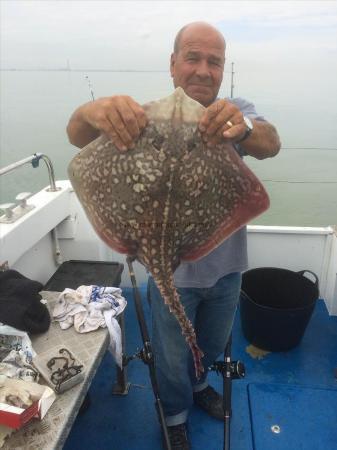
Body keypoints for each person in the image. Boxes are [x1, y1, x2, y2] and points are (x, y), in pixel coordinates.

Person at [67, 22, 280, 450]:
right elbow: (78, 138)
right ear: (173, 64)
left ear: (222, 71)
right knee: (169, 354)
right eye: (193, 57)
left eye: (213, 62)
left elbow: (269, 142)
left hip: (226, 268)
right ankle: (175, 413)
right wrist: (90, 112)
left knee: (212, 342)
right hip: (170, 273)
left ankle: (200, 385)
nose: (203, 70)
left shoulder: (233, 113)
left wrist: (243, 130)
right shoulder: (140, 119)